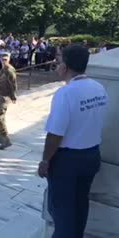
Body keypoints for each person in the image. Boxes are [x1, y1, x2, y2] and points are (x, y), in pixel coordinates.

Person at [38, 45, 108, 238]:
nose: (56, 64)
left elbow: (54, 134)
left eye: (59, 60)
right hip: (91, 156)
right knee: (79, 206)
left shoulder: (65, 93)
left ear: (66, 66)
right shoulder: (99, 88)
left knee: (62, 212)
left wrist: (45, 161)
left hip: (68, 161)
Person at [0, 52, 17, 150]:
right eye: (2, 59)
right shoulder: (3, 69)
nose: (4, 61)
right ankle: (1, 136)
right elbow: (2, 80)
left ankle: (6, 140)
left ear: (9, 60)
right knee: (0, 117)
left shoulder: (9, 70)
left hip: (4, 97)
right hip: (0, 94)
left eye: (5, 59)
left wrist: (13, 96)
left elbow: (13, 84)